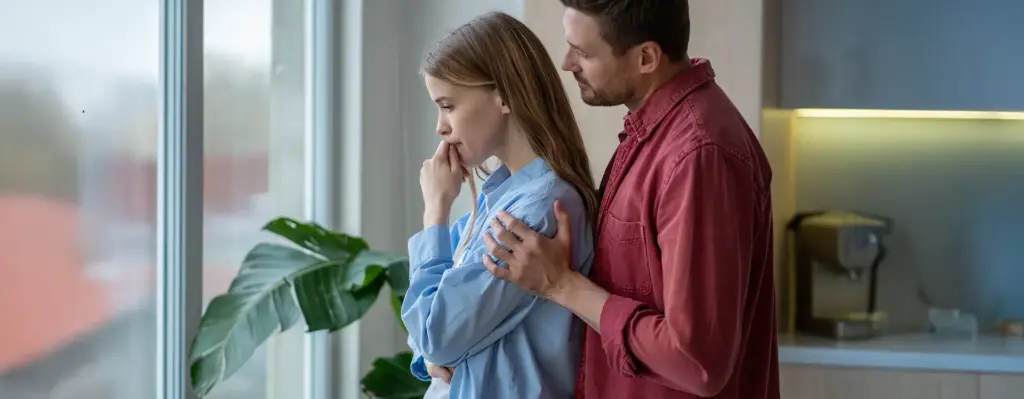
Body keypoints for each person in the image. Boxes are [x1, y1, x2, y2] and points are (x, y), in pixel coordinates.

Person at [482, 1, 780, 399]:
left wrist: (562, 285)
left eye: (584, 52)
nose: (567, 62)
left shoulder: (698, 156)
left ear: (646, 57)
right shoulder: (659, 135)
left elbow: (698, 362)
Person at [401, 11, 599, 399]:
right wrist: (428, 353)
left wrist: (435, 211)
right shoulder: (503, 197)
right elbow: (429, 336)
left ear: (504, 95)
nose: (440, 127)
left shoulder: (537, 211)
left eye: (448, 105)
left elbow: (436, 334)